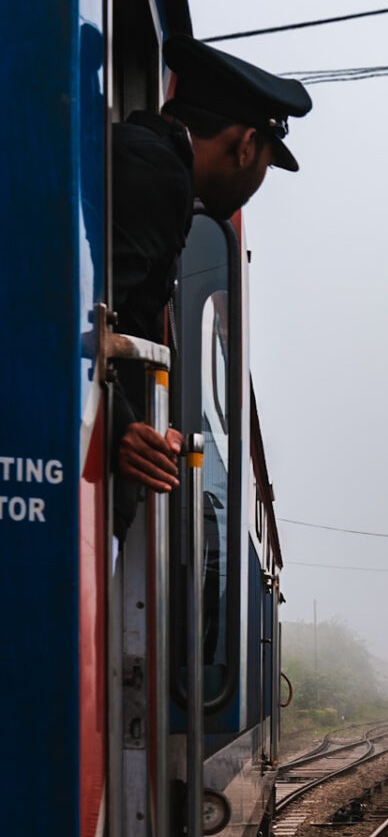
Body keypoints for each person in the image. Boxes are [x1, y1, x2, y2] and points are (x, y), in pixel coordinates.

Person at [111, 35, 312, 535]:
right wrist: (119, 428)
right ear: (245, 146)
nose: (259, 180)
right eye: (266, 164)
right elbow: (57, 312)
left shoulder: (152, 166)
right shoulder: (157, 175)